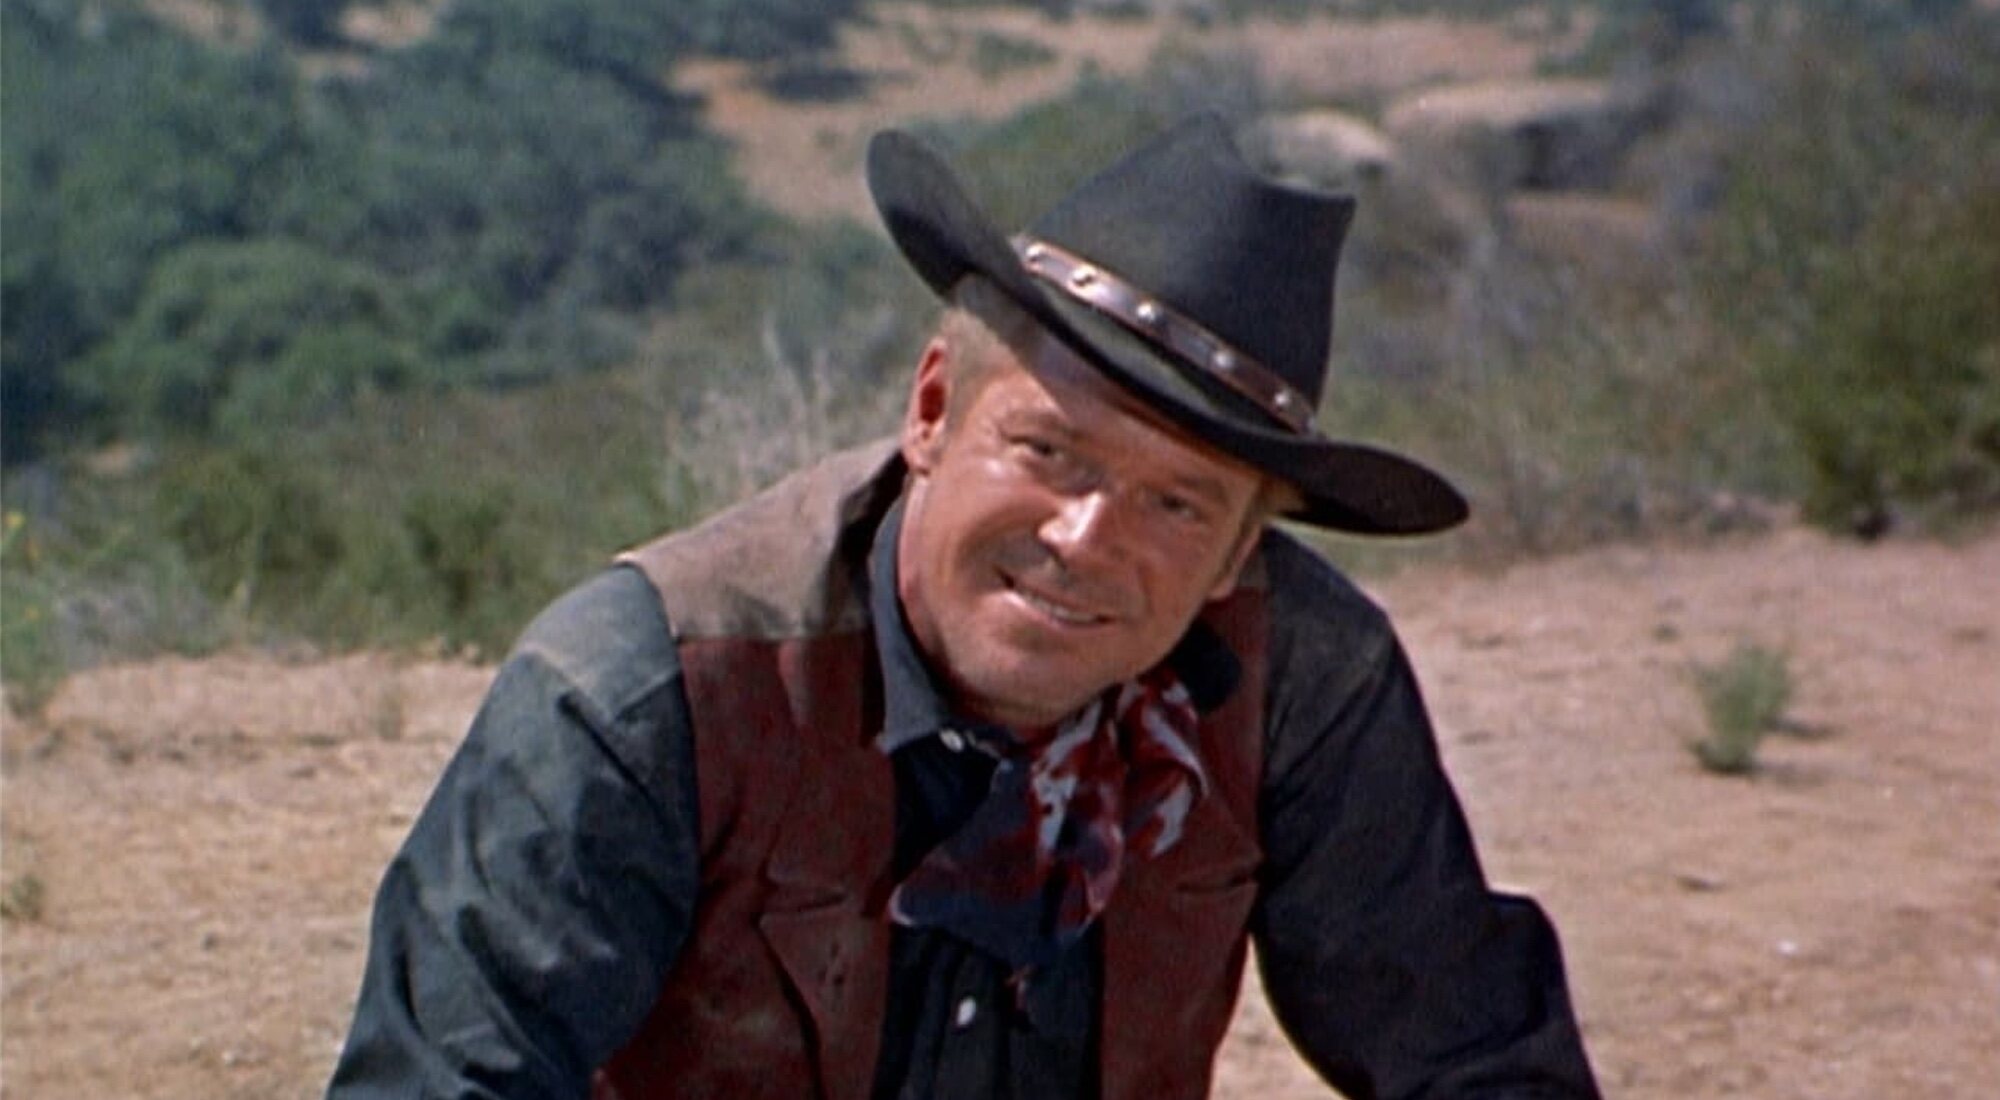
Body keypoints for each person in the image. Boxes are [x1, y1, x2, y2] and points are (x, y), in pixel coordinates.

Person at [326, 115, 1600, 1100]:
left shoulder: (1297, 682)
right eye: (1048, 450)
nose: (1083, 540)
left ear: (1234, 553)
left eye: (1176, 504)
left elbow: (1473, 1059)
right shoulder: (649, 687)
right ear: (932, 408)